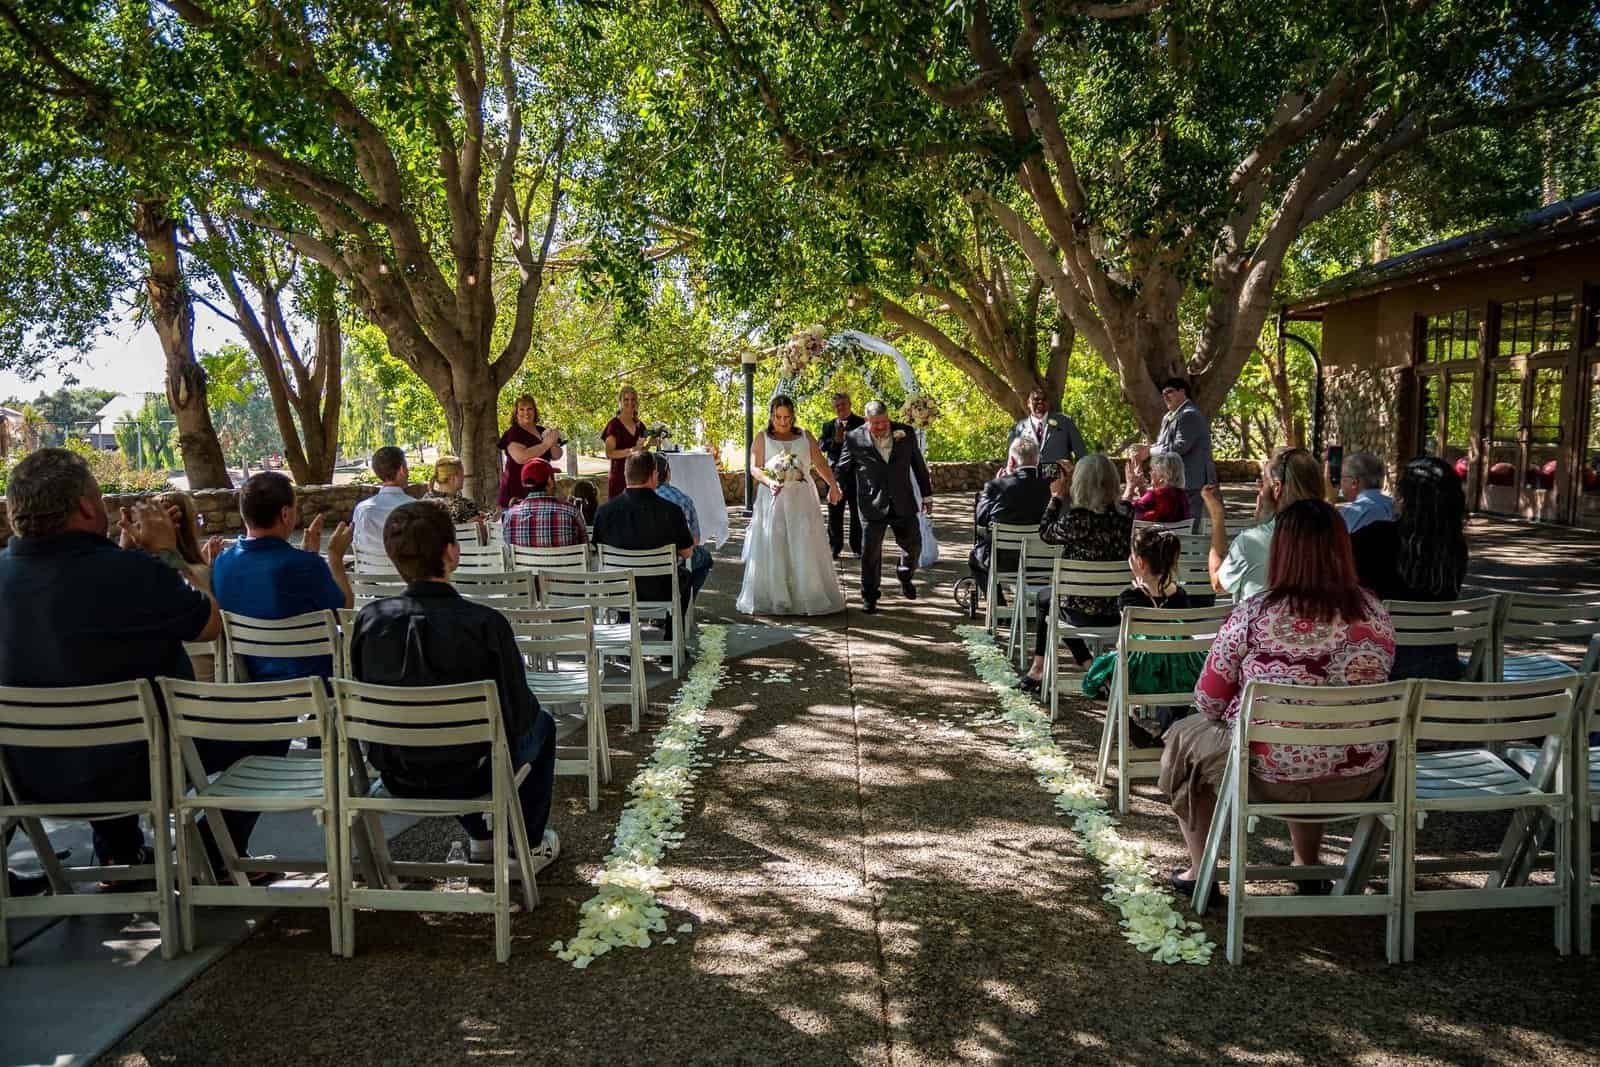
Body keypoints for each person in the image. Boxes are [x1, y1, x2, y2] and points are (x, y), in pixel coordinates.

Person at [0, 448, 222, 874]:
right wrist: (165, 554)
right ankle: (214, 861)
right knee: (260, 734)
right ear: (85, 506)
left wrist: (130, 557)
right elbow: (210, 624)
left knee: (99, 691)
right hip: (141, 772)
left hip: (22, 778)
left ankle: (121, 855)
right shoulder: (135, 574)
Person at [1159, 500, 1395, 898]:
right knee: (1318, 729)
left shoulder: (1255, 613)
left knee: (1185, 736)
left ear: (1282, 551)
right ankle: (1307, 862)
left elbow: (1209, 702)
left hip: (1268, 775)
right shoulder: (1376, 613)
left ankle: (1201, 871)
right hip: (1360, 775)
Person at [349, 503, 559, 867]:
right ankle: (524, 842)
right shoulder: (485, 624)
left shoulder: (369, 622)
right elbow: (518, 715)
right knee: (541, 725)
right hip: (473, 774)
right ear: (451, 551)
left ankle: (481, 838)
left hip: (398, 772)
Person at [210, 472, 354, 684]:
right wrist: (334, 559)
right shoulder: (305, 565)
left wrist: (308, 557)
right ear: (285, 514)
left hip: (252, 684)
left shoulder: (222, 562)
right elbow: (344, 612)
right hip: (314, 686)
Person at [1018, 454, 1133, 692]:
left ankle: (1041, 667)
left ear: (1079, 483)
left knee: (1046, 599)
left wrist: (1057, 497)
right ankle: (1089, 665)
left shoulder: (1077, 519)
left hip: (1080, 611)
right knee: (1055, 599)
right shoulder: (1127, 516)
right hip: (1117, 609)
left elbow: (1045, 533)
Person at [1350, 456, 1471, 680]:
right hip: (1441, 663)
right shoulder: (1455, 548)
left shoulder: (1375, 538)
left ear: (1405, 497)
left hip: (1380, 662)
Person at [1079, 528, 1201, 742]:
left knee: (1105, 671)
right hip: (1183, 673)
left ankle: (1129, 722)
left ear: (1140, 563)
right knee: (1175, 666)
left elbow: (1123, 643)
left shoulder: (1129, 598)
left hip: (1140, 676)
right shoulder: (1181, 596)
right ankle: (1168, 730)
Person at [739, 395, 847, 616]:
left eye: (787, 417)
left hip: (801, 498)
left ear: (793, 416)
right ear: (771, 415)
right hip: (773, 498)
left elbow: (820, 463)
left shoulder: (805, 437)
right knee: (775, 544)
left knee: (803, 543)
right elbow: (754, 468)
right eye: (778, 417)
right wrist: (769, 482)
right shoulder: (762, 438)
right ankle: (778, 597)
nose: (783, 422)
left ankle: (807, 596)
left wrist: (834, 486)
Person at [841, 400, 933, 614]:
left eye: (884, 422)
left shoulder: (906, 433)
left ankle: (905, 573)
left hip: (903, 501)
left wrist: (927, 496)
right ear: (866, 421)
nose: (881, 427)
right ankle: (869, 596)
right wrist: (835, 487)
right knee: (870, 553)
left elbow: (918, 465)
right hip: (871, 503)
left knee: (914, 546)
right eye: (875, 423)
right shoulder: (854, 438)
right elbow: (843, 468)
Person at [1206, 446, 1324, 602]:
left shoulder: (1250, 543)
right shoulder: (1336, 537)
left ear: (1277, 488)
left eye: (1263, 483)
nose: (1259, 490)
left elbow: (1218, 584)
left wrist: (1217, 516)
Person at [592, 451, 695, 616]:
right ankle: (671, 632)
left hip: (617, 589)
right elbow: (687, 552)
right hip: (661, 590)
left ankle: (626, 624)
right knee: (685, 576)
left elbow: (598, 551)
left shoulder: (604, 512)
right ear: (654, 475)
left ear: (626, 476)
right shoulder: (671, 511)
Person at [969, 436, 1051, 595]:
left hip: (1003, 561)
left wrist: (997, 484)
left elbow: (981, 520)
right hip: (1044, 561)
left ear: (1012, 460)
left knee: (975, 557)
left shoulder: (996, 486)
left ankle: (998, 607)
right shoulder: (1051, 485)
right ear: (1037, 459)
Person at [1136, 378, 1215, 523]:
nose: (1165, 396)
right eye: (1163, 393)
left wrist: (1150, 452)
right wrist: (1149, 449)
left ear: (1182, 392)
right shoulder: (1168, 417)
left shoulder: (1189, 414)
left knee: (1189, 524)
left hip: (1191, 482)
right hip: (1173, 482)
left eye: (1170, 392)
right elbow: (1162, 444)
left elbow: (1180, 446)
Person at [654, 453, 715, 597]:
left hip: (632, 568)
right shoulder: (682, 500)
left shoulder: (619, 507)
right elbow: (693, 541)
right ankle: (684, 603)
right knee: (704, 557)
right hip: (672, 563)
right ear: (668, 473)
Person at [502, 457, 587, 549]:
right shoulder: (571, 512)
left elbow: (508, 552)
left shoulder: (510, 515)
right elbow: (585, 547)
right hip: (565, 563)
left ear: (524, 484)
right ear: (550, 482)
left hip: (527, 563)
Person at [820, 392, 866, 558]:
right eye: (837, 405)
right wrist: (835, 441)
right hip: (835, 476)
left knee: (856, 512)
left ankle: (857, 547)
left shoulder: (862, 423)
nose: (840, 408)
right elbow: (822, 447)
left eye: (843, 404)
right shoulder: (828, 425)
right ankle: (834, 547)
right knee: (834, 513)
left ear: (849, 404)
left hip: (856, 475)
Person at [497, 395, 563, 510]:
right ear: (516, 413)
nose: (526, 413)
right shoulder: (514, 432)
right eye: (521, 409)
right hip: (518, 491)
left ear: (535, 411)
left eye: (529, 409)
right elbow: (521, 457)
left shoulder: (542, 430)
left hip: (544, 491)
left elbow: (557, 455)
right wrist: (545, 444)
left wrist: (552, 441)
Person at [351, 446, 413, 557]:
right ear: (402, 469)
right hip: (407, 572)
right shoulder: (417, 508)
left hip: (369, 571)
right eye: (406, 467)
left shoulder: (361, 509)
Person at [1010, 387, 1088, 467]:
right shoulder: (1018, 429)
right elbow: (1011, 460)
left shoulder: (1065, 422)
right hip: (1029, 478)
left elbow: (1082, 455)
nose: (1040, 401)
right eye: (1036, 399)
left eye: (1044, 399)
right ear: (1028, 403)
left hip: (1060, 477)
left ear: (1049, 403)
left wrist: (1074, 474)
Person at [601, 385, 644, 501]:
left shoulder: (640, 425)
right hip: (619, 478)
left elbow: (642, 451)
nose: (630, 402)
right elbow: (609, 453)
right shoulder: (614, 425)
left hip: (638, 478)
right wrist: (631, 451)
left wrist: (653, 442)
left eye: (633, 399)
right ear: (620, 402)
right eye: (626, 399)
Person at [1124, 451, 1189, 522]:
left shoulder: (1154, 495)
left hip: (1152, 533)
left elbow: (1124, 511)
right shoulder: (1182, 496)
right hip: (1177, 533)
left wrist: (1130, 486)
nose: (1149, 473)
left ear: (1163, 477)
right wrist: (1141, 487)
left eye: (1152, 470)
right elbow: (1152, 505)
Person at [1337, 452, 1394, 533]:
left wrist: (1329, 499)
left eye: (1342, 477)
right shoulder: (1396, 507)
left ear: (1354, 482)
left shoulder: (1349, 513)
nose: (1340, 483)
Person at [424, 455, 487, 528]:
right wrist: (468, 526)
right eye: (462, 474)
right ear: (454, 477)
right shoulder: (466, 506)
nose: (464, 477)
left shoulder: (424, 502)